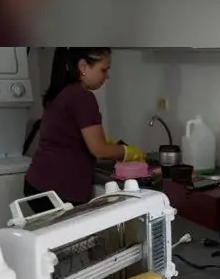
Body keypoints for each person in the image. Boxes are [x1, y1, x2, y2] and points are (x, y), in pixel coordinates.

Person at [23, 47, 145, 212]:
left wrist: (106, 144)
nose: (107, 76)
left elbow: (67, 135)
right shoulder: (81, 97)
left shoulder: (63, 91)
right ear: (83, 67)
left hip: (39, 184)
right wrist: (128, 152)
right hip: (57, 190)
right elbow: (99, 150)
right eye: (104, 69)